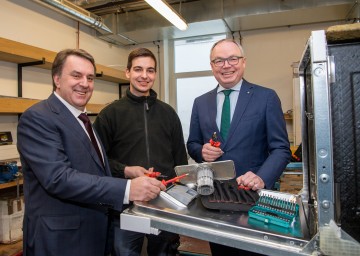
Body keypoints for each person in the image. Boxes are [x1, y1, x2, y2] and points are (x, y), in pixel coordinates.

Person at [17, 49, 165, 256]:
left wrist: (126, 172)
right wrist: (127, 189)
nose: (85, 83)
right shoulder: (38, 118)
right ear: (57, 79)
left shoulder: (84, 120)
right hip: (61, 240)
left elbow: (91, 168)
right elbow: (59, 178)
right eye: (76, 75)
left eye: (90, 78)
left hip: (92, 233)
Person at [187, 39, 291, 255]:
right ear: (212, 66)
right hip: (215, 199)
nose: (226, 65)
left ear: (243, 62)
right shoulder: (200, 102)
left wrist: (262, 177)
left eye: (232, 59)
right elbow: (193, 144)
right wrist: (201, 151)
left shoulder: (266, 97)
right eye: (219, 60)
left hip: (253, 198)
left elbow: (281, 149)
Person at [94, 48, 188, 256]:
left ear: (155, 74)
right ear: (127, 73)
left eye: (150, 70)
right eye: (138, 69)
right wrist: (125, 169)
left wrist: (179, 197)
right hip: (124, 207)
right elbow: (97, 161)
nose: (144, 76)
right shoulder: (110, 114)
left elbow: (180, 160)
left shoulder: (168, 114)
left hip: (164, 205)